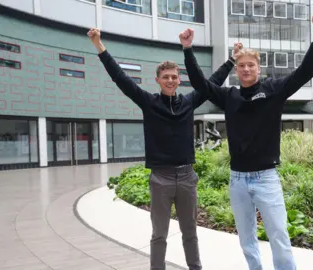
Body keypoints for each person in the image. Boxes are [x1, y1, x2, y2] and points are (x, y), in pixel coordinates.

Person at [180, 12, 313, 270]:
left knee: (279, 237)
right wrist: (188, 49)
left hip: (266, 178)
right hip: (238, 180)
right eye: (242, 65)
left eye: (251, 65)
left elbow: (306, 72)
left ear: (259, 68)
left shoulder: (273, 90)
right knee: (247, 240)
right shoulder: (229, 95)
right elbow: (200, 85)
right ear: (236, 70)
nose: (246, 69)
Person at [88, 28, 241, 270]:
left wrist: (232, 59)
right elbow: (120, 78)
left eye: (174, 76)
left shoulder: (189, 102)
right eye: (166, 77)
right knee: (159, 234)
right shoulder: (149, 102)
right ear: (158, 80)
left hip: (187, 177)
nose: (170, 80)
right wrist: (99, 45)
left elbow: (212, 83)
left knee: (190, 232)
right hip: (161, 178)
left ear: (179, 79)